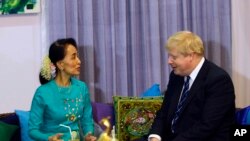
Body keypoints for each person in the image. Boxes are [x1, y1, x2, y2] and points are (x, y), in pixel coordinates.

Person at [147, 31, 235, 141]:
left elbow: (206, 126)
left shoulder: (218, 80)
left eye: (173, 57)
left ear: (190, 56)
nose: (169, 61)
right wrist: (155, 136)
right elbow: (164, 112)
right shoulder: (176, 76)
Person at [28, 38, 97, 141]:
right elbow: (32, 130)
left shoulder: (81, 88)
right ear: (60, 64)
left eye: (77, 56)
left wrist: (88, 135)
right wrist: (49, 138)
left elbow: (87, 121)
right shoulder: (42, 93)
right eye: (73, 57)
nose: (79, 61)